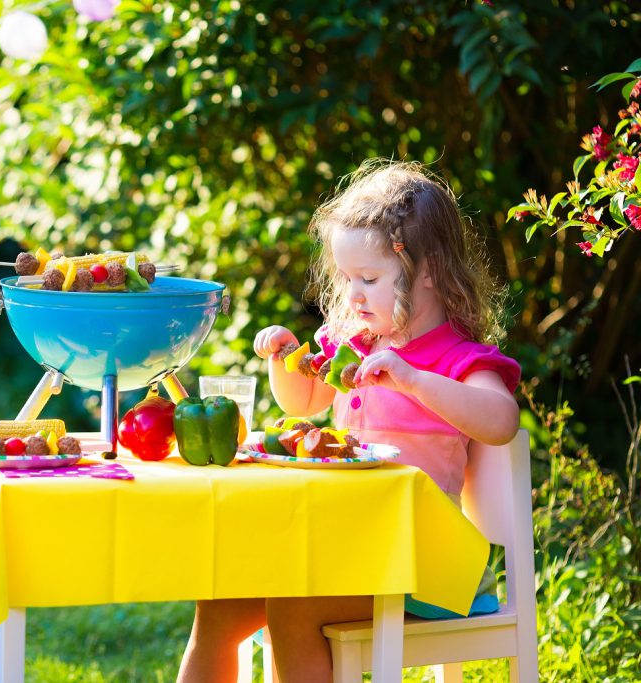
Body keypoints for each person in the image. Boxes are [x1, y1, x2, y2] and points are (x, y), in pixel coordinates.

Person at [177, 160, 521, 683]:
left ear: (427, 270)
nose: (353, 294)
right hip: (349, 551)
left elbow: (501, 421)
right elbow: (302, 402)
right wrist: (284, 358)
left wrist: (412, 380)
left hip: (427, 569)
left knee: (294, 608)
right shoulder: (354, 346)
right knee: (219, 603)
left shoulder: (456, 359)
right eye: (346, 278)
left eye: (370, 278)